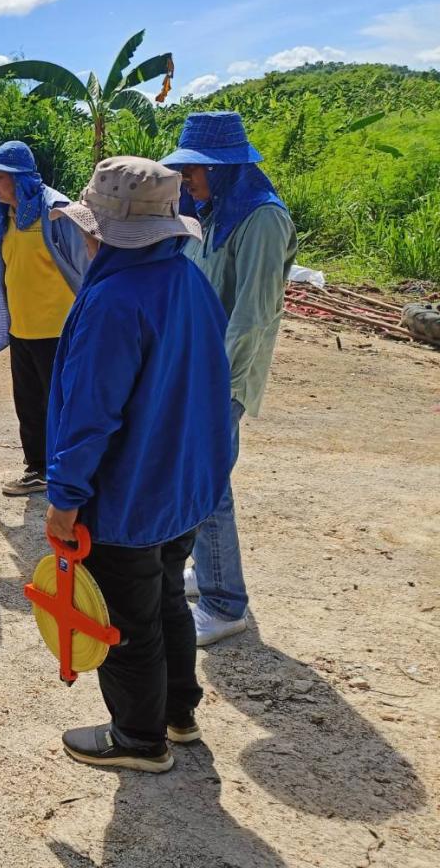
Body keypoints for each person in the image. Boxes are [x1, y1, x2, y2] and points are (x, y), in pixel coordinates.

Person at [43, 156, 234, 773]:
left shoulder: (112, 301)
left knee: (126, 620)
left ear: (99, 229)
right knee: (167, 600)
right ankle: (179, 713)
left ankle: (138, 737)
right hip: (184, 486)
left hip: (129, 491)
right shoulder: (189, 280)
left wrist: (65, 499)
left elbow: (89, 415)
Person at [161, 112, 298, 647]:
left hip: (222, 377)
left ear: (225, 168)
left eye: (196, 169)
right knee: (198, 477)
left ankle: (224, 604)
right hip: (197, 369)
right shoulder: (213, 210)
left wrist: (211, 385)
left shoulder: (261, 219)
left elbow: (253, 317)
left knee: (208, 485)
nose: (188, 177)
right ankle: (210, 571)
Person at [0, 141, 89, 497]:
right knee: (30, 405)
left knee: (61, 406)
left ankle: (65, 474)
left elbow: (85, 266)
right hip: (23, 329)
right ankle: (37, 470)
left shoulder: (58, 211)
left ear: (19, 178)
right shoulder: (8, 214)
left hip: (58, 331)